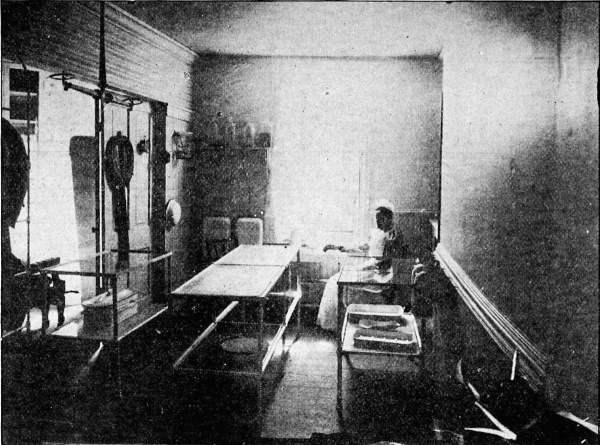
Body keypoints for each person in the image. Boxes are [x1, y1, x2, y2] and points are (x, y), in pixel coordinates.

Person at [317, 199, 406, 331]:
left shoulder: (393, 236)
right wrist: (337, 247)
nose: (377, 221)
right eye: (376, 218)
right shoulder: (376, 233)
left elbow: (391, 260)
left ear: (388, 218)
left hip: (381, 273)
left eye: (380, 219)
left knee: (339, 282)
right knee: (334, 281)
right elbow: (362, 247)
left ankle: (346, 324)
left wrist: (376, 263)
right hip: (371, 267)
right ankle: (339, 324)